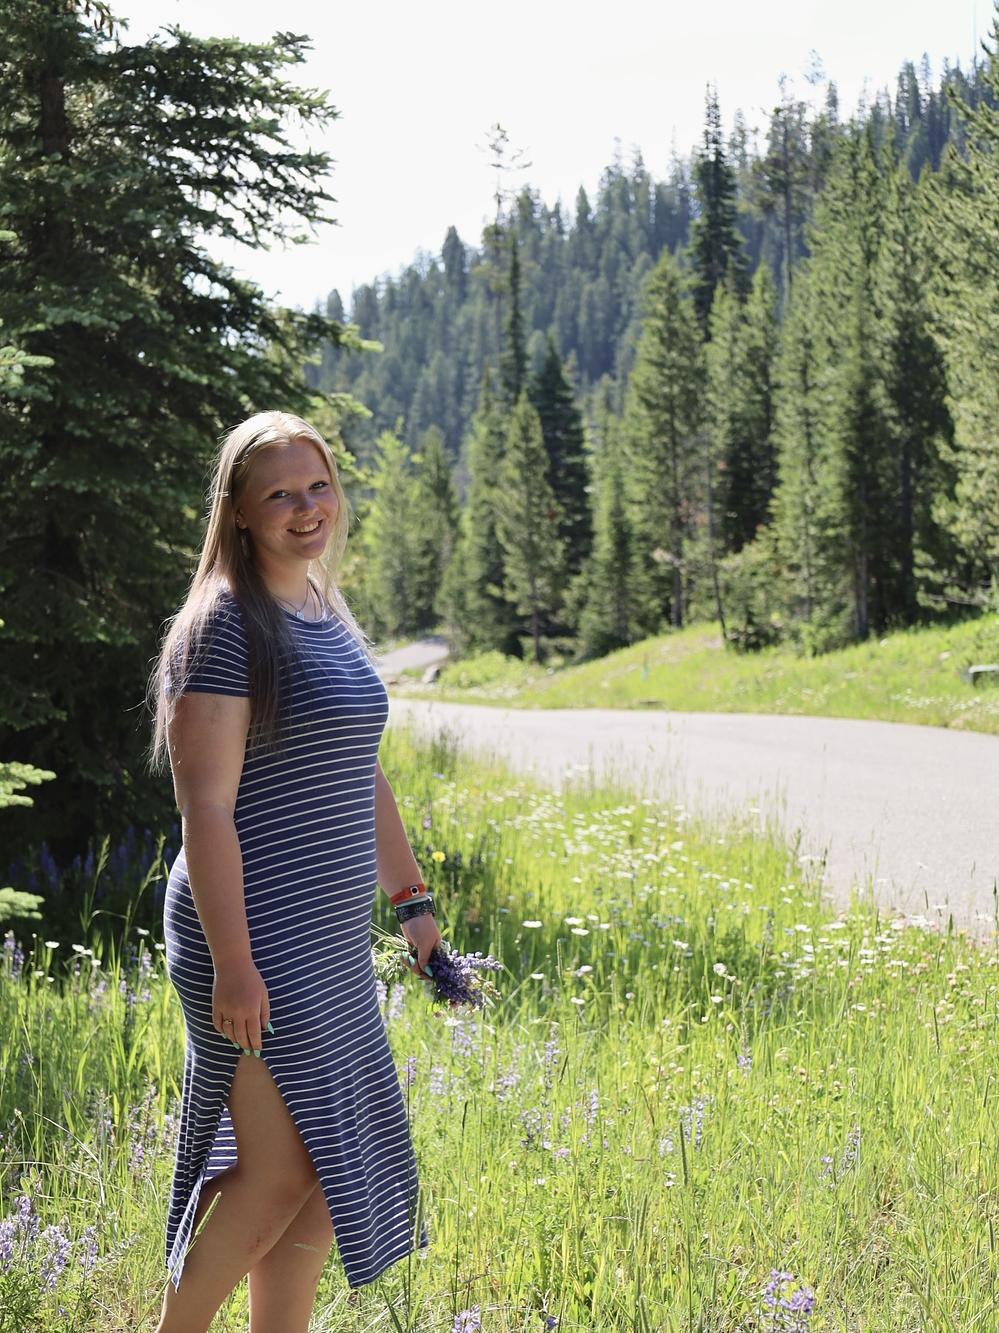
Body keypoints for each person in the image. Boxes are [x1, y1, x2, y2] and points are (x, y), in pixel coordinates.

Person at [145, 409, 440, 1332]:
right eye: (280, 494)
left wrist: (412, 899)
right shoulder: (223, 625)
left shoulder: (319, 604)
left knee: (320, 1173)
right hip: (251, 931)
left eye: (318, 486)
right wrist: (235, 964)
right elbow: (206, 810)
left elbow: (359, 766)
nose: (307, 508)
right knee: (275, 1173)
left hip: (326, 939)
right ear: (238, 510)